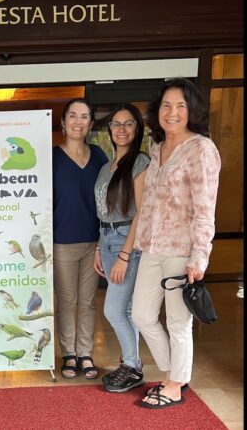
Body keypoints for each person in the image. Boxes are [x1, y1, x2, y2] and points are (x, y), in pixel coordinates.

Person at [132, 78, 221, 408]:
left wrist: (199, 256)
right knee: (141, 315)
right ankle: (175, 375)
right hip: (152, 247)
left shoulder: (201, 150)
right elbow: (150, 201)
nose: (172, 112)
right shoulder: (157, 149)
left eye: (180, 106)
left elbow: (204, 209)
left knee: (177, 322)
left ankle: (173, 385)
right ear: (158, 112)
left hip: (181, 250)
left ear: (192, 110)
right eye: (166, 106)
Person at [93, 103, 149, 392]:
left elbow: (141, 212)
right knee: (125, 311)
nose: (122, 129)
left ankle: (132, 366)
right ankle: (131, 365)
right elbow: (104, 211)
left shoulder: (140, 162)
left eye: (129, 124)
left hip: (128, 241)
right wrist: (99, 249)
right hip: (107, 238)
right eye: (117, 124)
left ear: (137, 128)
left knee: (113, 311)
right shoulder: (106, 166)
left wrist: (125, 256)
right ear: (110, 129)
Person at [53, 98, 108, 379]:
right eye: (72, 116)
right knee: (67, 301)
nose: (78, 121)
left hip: (95, 242)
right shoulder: (51, 158)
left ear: (90, 123)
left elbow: (109, 198)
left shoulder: (99, 155)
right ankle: (69, 354)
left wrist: (105, 239)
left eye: (84, 116)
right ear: (63, 122)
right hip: (61, 242)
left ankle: (85, 352)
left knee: (88, 301)